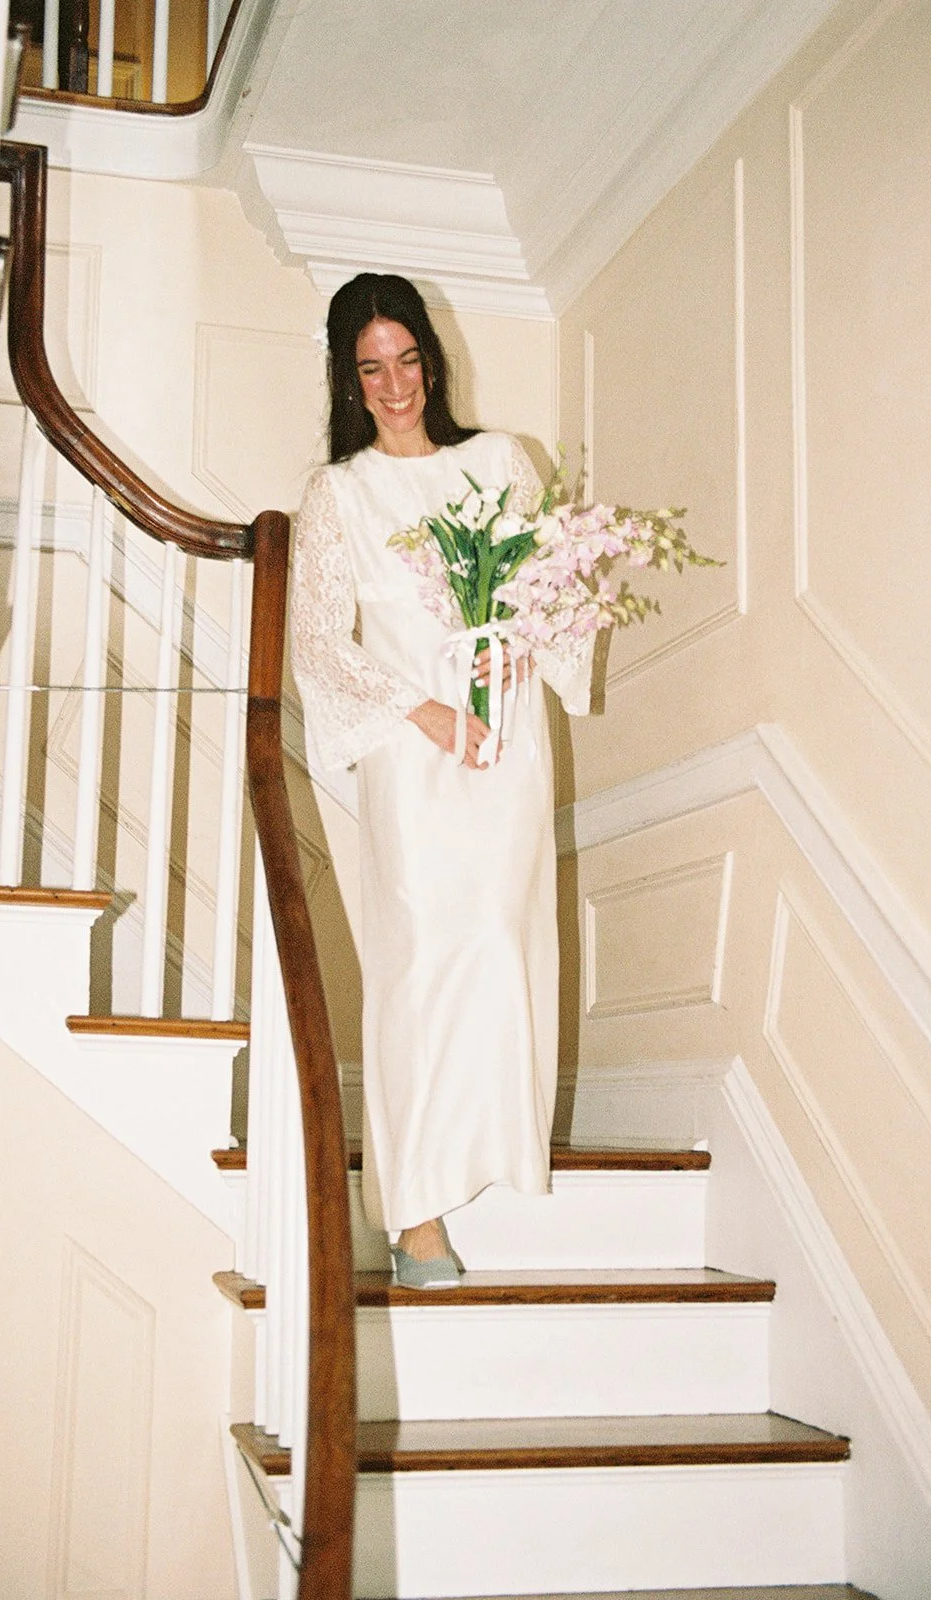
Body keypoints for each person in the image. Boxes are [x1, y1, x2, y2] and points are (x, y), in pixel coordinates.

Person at [290, 273, 592, 1287]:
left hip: (503, 744)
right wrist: (422, 711)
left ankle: (498, 1151)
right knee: (417, 954)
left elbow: (557, 594)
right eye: (369, 367)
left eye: (406, 359)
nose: (393, 384)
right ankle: (413, 1206)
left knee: (501, 942)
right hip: (411, 751)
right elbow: (319, 644)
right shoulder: (339, 494)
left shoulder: (501, 462)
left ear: (431, 358)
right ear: (347, 377)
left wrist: (517, 653)